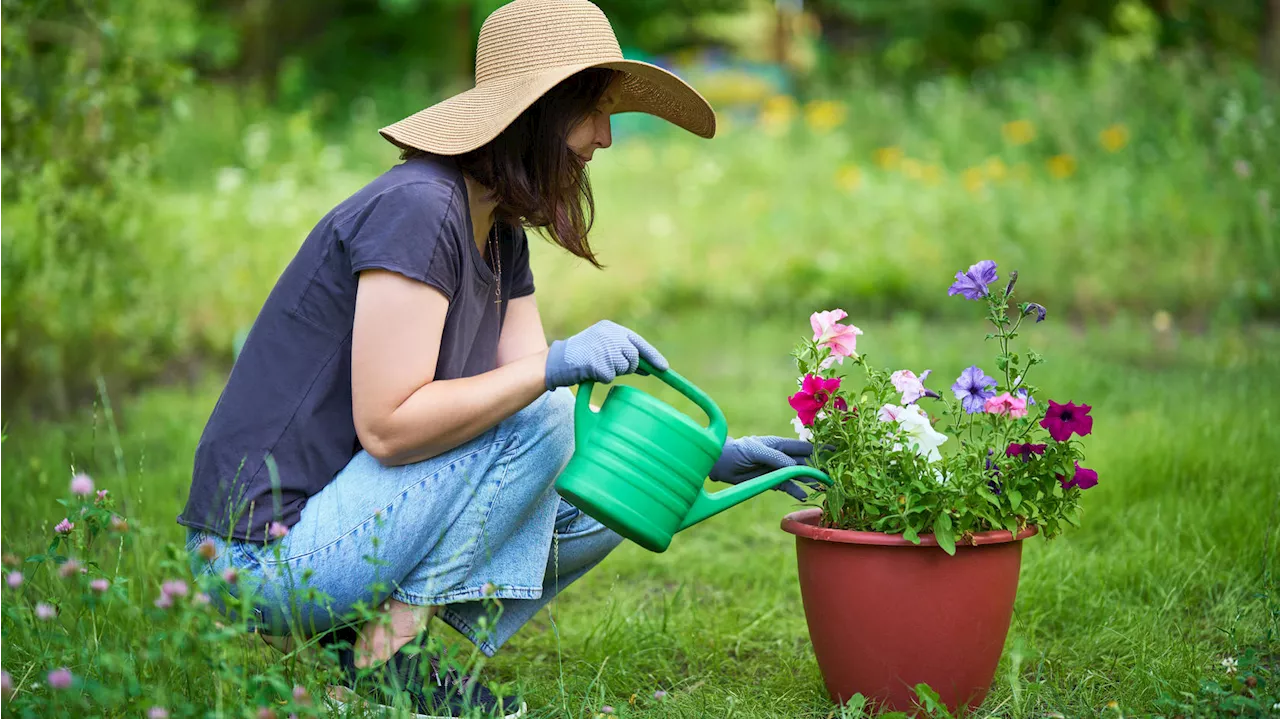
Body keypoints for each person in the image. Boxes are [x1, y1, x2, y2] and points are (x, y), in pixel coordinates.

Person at [177, 0, 815, 716]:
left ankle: (359, 642)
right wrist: (557, 368)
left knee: (616, 491)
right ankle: (384, 658)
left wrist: (706, 456)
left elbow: (549, 427)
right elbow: (391, 424)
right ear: (540, 111)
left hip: (342, 529)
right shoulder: (419, 207)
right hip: (261, 558)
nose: (604, 139)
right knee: (543, 410)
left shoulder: (497, 233)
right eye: (595, 113)